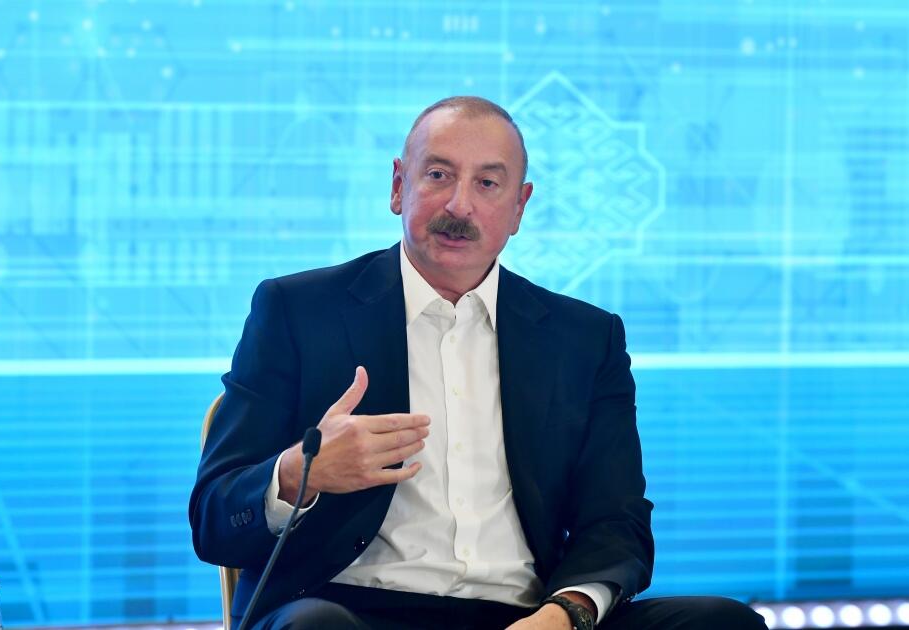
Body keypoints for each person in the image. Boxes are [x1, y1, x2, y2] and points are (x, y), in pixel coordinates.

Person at [189, 96, 767, 630]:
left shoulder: (585, 340)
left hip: (527, 617)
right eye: (438, 175)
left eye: (488, 183)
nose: (459, 205)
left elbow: (616, 522)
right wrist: (300, 473)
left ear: (519, 207)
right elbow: (214, 517)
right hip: (351, 610)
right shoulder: (298, 311)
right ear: (399, 186)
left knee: (722, 623)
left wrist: (565, 613)